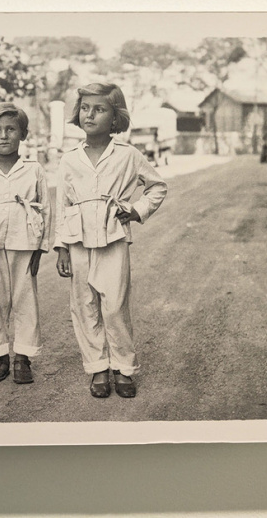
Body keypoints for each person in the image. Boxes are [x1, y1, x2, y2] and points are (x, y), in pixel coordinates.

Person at [54, 83, 168, 399]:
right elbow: (62, 204)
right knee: (84, 306)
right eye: (85, 108)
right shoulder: (69, 159)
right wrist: (61, 246)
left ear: (115, 117)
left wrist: (136, 210)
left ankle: (124, 369)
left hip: (114, 238)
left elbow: (157, 186)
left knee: (115, 306)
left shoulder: (129, 155)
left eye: (100, 109)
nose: (90, 114)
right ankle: (98, 369)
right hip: (77, 240)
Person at [0, 103, 51, 384]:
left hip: (25, 242)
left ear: (23, 134)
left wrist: (41, 248)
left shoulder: (34, 169)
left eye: (11, 129)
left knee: (25, 301)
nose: (3, 135)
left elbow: (45, 209)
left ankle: (23, 357)